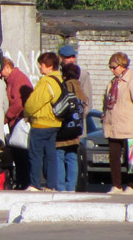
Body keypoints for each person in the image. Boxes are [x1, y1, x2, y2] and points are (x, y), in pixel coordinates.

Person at [102, 52, 133, 195]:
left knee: (131, 157)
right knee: (114, 156)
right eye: (110, 67)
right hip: (113, 126)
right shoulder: (113, 82)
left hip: (128, 126)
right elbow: (106, 102)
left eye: (114, 67)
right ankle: (116, 185)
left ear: (122, 66)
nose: (112, 70)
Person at [24, 51, 64, 191]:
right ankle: (51, 185)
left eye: (42, 64)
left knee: (35, 155)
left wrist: (26, 113)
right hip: (55, 122)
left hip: (41, 122)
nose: (40, 67)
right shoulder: (59, 80)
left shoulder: (46, 82)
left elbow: (33, 103)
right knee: (51, 156)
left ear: (49, 66)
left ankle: (35, 184)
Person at [0, 57, 33, 189]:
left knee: (21, 153)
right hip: (16, 121)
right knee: (18, 154)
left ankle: (24, 182)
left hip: (19, 121)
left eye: (1, 70)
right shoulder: (12, 79)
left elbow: (18, 102)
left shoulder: (18, 78)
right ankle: (21, 181)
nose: (1, 74)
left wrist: (7, 117)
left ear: (7, 67)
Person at [54, 62, 88, 192]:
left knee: (59, 156)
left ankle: (61, 187)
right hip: (76, 129)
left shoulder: (65, 86)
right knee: (72, 157)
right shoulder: (80, 87)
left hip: (63, 128)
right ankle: (71, 186)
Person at [58, 44, 94, 116]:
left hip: (78, 117)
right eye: (68, 57)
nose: (71, 60)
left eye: (73, 57)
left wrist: (81, 115)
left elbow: (88, 98)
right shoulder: (57, 73)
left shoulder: (82, 74)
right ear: (61, 58)